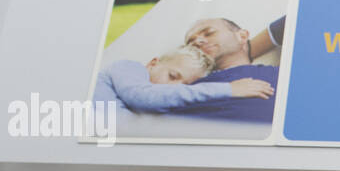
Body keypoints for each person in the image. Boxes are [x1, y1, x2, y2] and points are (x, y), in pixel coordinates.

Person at [93, 44, 274, 113]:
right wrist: (229, 89)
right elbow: (143, 97)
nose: (175, 88)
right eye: (172, 76)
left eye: (185, 85)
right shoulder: (127, 67)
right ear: (152, 63)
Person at [167, 18, 278, 123]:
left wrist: (248, 50)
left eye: (209, 33)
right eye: (190, 43)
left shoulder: (280, 75)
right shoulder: (182, 86)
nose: (197, 41)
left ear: (242, 36)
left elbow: (293, 21)